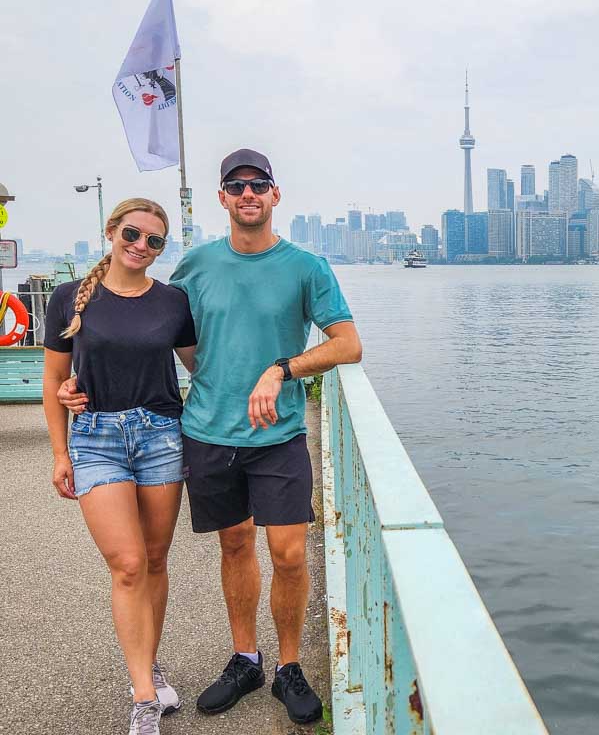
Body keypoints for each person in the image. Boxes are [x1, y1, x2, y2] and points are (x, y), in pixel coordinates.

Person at [65, 148, 362, 724]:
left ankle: (289, 667)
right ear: (222, 199)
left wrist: (281, 368)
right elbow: (152, 329)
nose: (248, 194)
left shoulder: (306, 267)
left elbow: (347, 344)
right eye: (236, 186)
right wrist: (81, 381)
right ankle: (246, 659)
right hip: (208, 431)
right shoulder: (196, 266)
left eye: (259, 185)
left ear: (276, 196)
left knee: (290, 552)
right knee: (233, 545)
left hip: (277, 434)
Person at [43, 198, 196, 735]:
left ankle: (148, 665)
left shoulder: (173, 301)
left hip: (160, 436)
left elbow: (202, 368)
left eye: (155, 241)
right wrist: (60, 452)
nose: (141, 246)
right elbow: (54, 379)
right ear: (112, 231)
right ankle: (144, 698)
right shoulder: (68, 299)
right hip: (96, 439)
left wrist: (271, 371)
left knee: (155, 560)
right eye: (133, 234)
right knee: (128, 563)